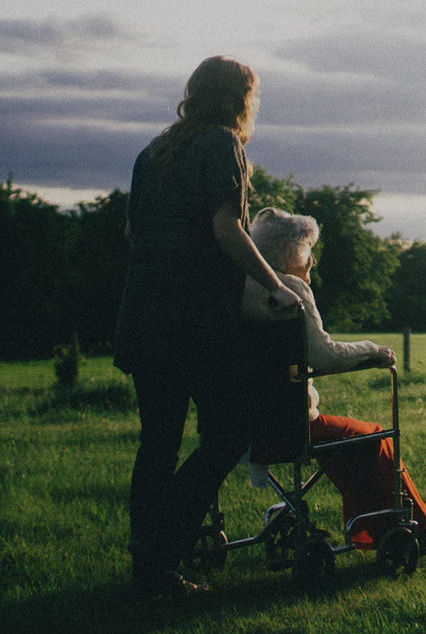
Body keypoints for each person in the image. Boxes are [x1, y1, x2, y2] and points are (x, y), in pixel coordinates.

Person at [113, 55, 299, 597]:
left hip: (143, 316)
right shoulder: (222, 145)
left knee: (159, 443)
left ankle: (149, 572)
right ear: (240, 98)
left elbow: (133, 231)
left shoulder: (154, 152)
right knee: (229, 433)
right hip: (193, 324)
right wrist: (275, 285)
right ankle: (161, 544)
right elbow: (228, 229)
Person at [239, 208, 426, 554]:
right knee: (374, 437)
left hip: (243, 423)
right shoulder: (290, 290)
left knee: (348, 444)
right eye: (306, 248)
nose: (312, 259)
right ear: (288, 251)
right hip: (290, 424)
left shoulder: (240, 288)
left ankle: (373, 532)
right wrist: (372, 350)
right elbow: (324, 356)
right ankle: (420, 526)